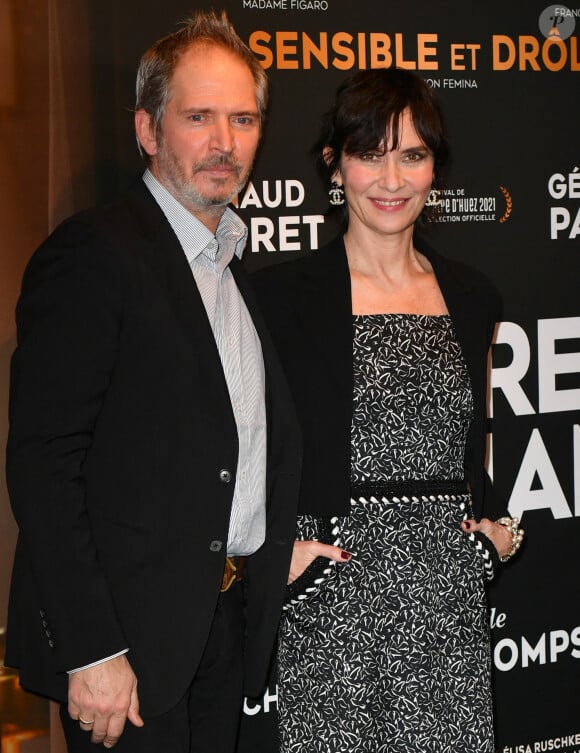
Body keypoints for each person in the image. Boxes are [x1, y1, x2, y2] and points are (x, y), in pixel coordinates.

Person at [5, 10, 301, 753]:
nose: (223, 142)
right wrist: (92, 649)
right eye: (198, 116)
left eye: (242, 118)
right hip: (130, 654)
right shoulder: (94, 255)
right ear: (148, 129)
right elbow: (42, 462)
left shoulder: (231, 269)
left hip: (220, 633)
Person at [253, 68, 524, 753]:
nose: (391, 178)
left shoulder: (472, 295)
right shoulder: (280, 299)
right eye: (370, 154)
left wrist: (495, 535)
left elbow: (469, 437)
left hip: (446, 603)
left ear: (435, 168)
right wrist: (271, 554)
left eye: (412, 155)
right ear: (333, 163)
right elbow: (238, 447)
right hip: (333, 597)